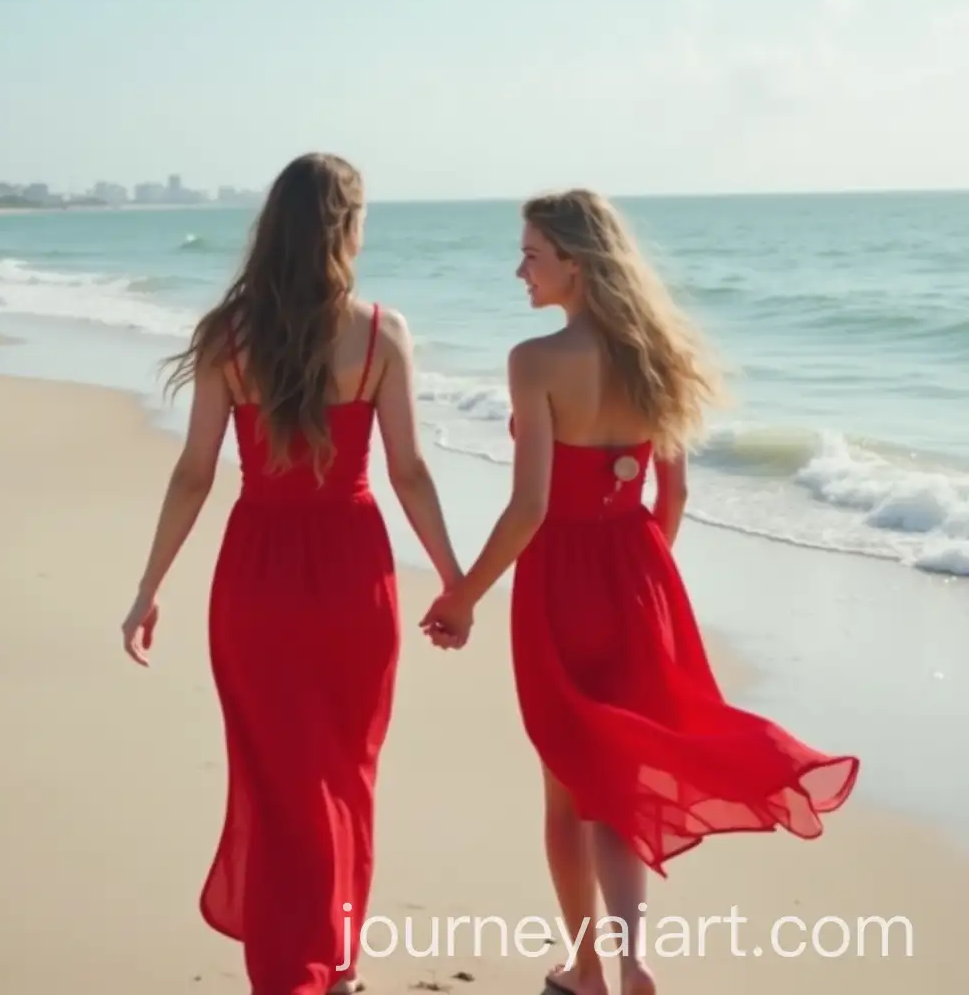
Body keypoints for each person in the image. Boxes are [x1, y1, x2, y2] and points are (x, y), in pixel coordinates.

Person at [420, 189, 860, 995]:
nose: (519, 269)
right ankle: (631, 959)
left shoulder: (534, 361)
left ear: (576, 265)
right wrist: (643, 580)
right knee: (616, 784)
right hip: (643, 577)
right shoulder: (662, 357)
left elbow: (529, 508)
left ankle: (585, 966)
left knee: (565, 792)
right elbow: (676, 497)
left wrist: (464, 598)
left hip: (558, 585)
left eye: (532, 254)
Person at [120, 153, 465, 995]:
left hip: (256, 573)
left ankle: (289, 968)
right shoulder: (381, 332)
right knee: (347, 770)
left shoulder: (227, 338)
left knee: (274, 776)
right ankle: (335, 964)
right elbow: (409, 471)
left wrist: (148, 586)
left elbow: (195, 473)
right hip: (352, 569)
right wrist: (456, 581)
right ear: (345, 227)